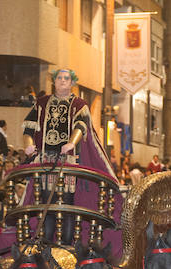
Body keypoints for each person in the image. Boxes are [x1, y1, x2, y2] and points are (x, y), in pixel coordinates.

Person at [22, 68, 117, 244]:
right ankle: (45, 247)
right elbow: (28, 128)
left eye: (67, 78)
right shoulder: (41, 103)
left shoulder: (79, 105)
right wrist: (28, 145)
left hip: (68, 162)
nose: (63, 81)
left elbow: (81, 126)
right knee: (46, 206)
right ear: (54, 81)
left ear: (72, 83)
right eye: (59, 78)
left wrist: (72, 142)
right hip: (45, 161)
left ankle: (66, 247)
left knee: (66, 206)